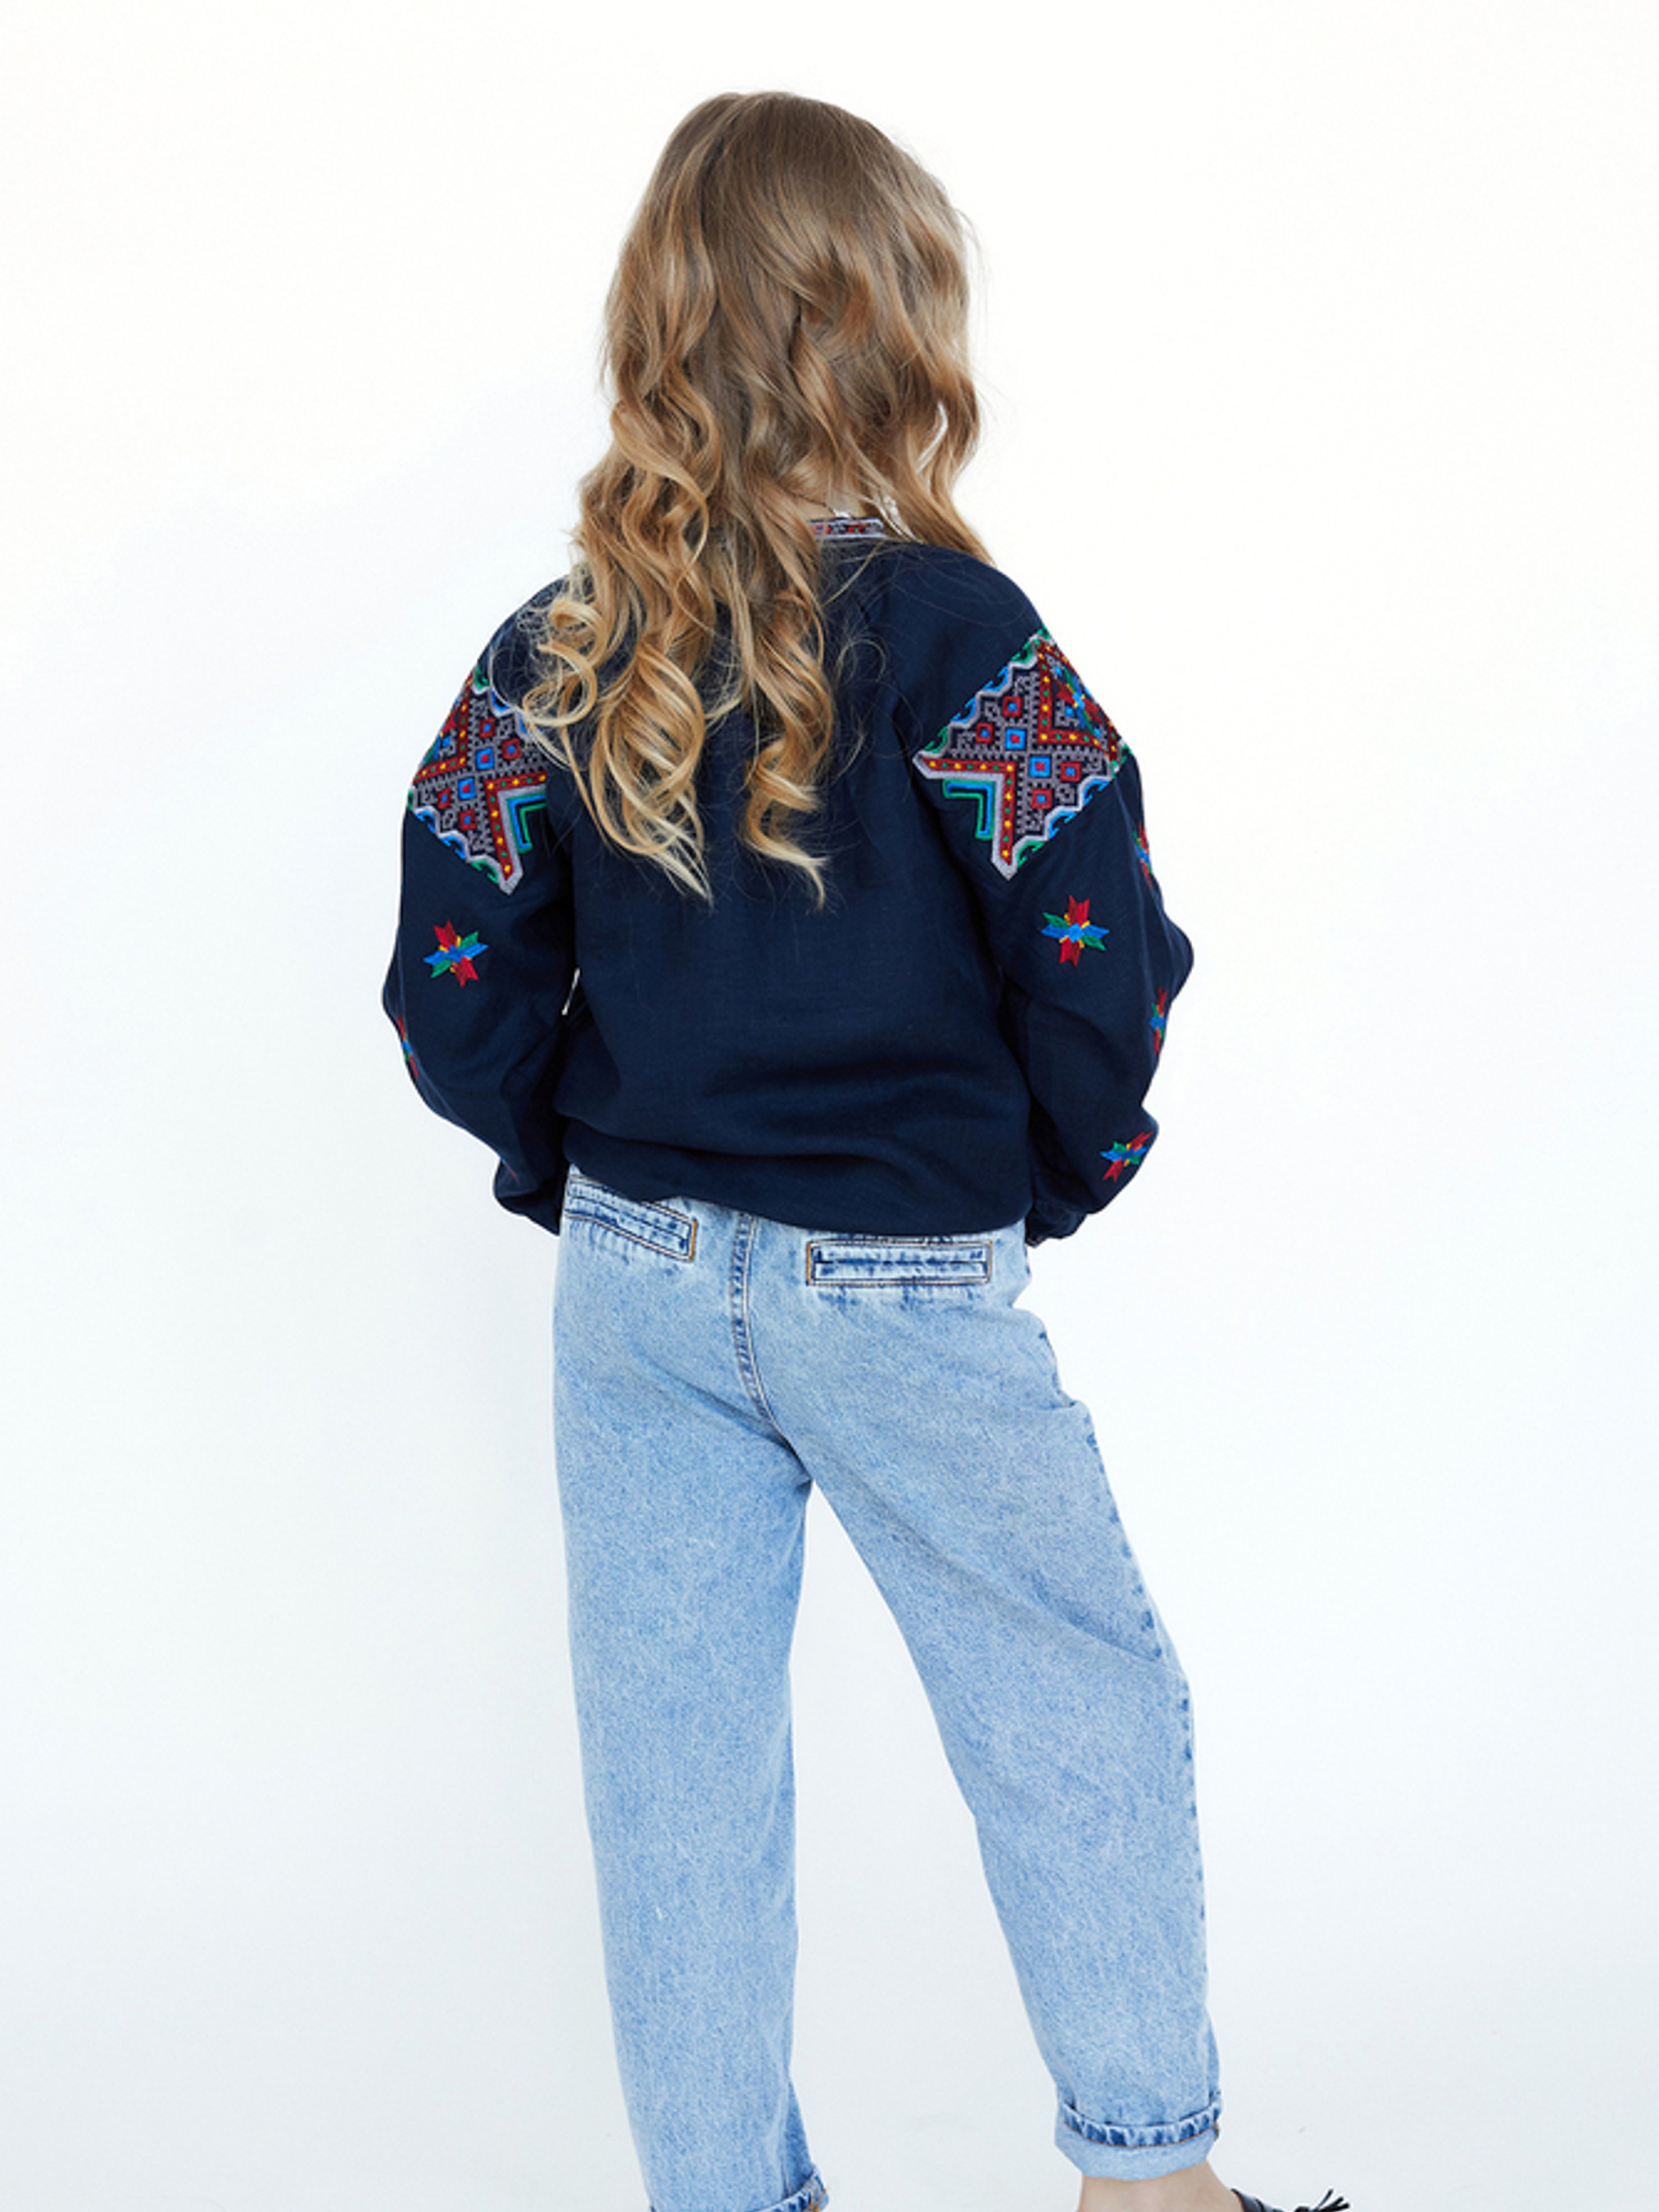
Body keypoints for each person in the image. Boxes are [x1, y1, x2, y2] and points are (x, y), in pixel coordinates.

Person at [383, 88, 1346, 2212]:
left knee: (676, 1791)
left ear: (658, 328)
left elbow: (451, 950)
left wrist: (572, 1157)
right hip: (898, 1277)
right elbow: (1097, 936)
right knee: (1066, 1692)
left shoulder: (559, 645)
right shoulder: (961, 637)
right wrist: (1049, 1167)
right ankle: (1149, 2186)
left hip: (636, 1286)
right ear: (896, 330)